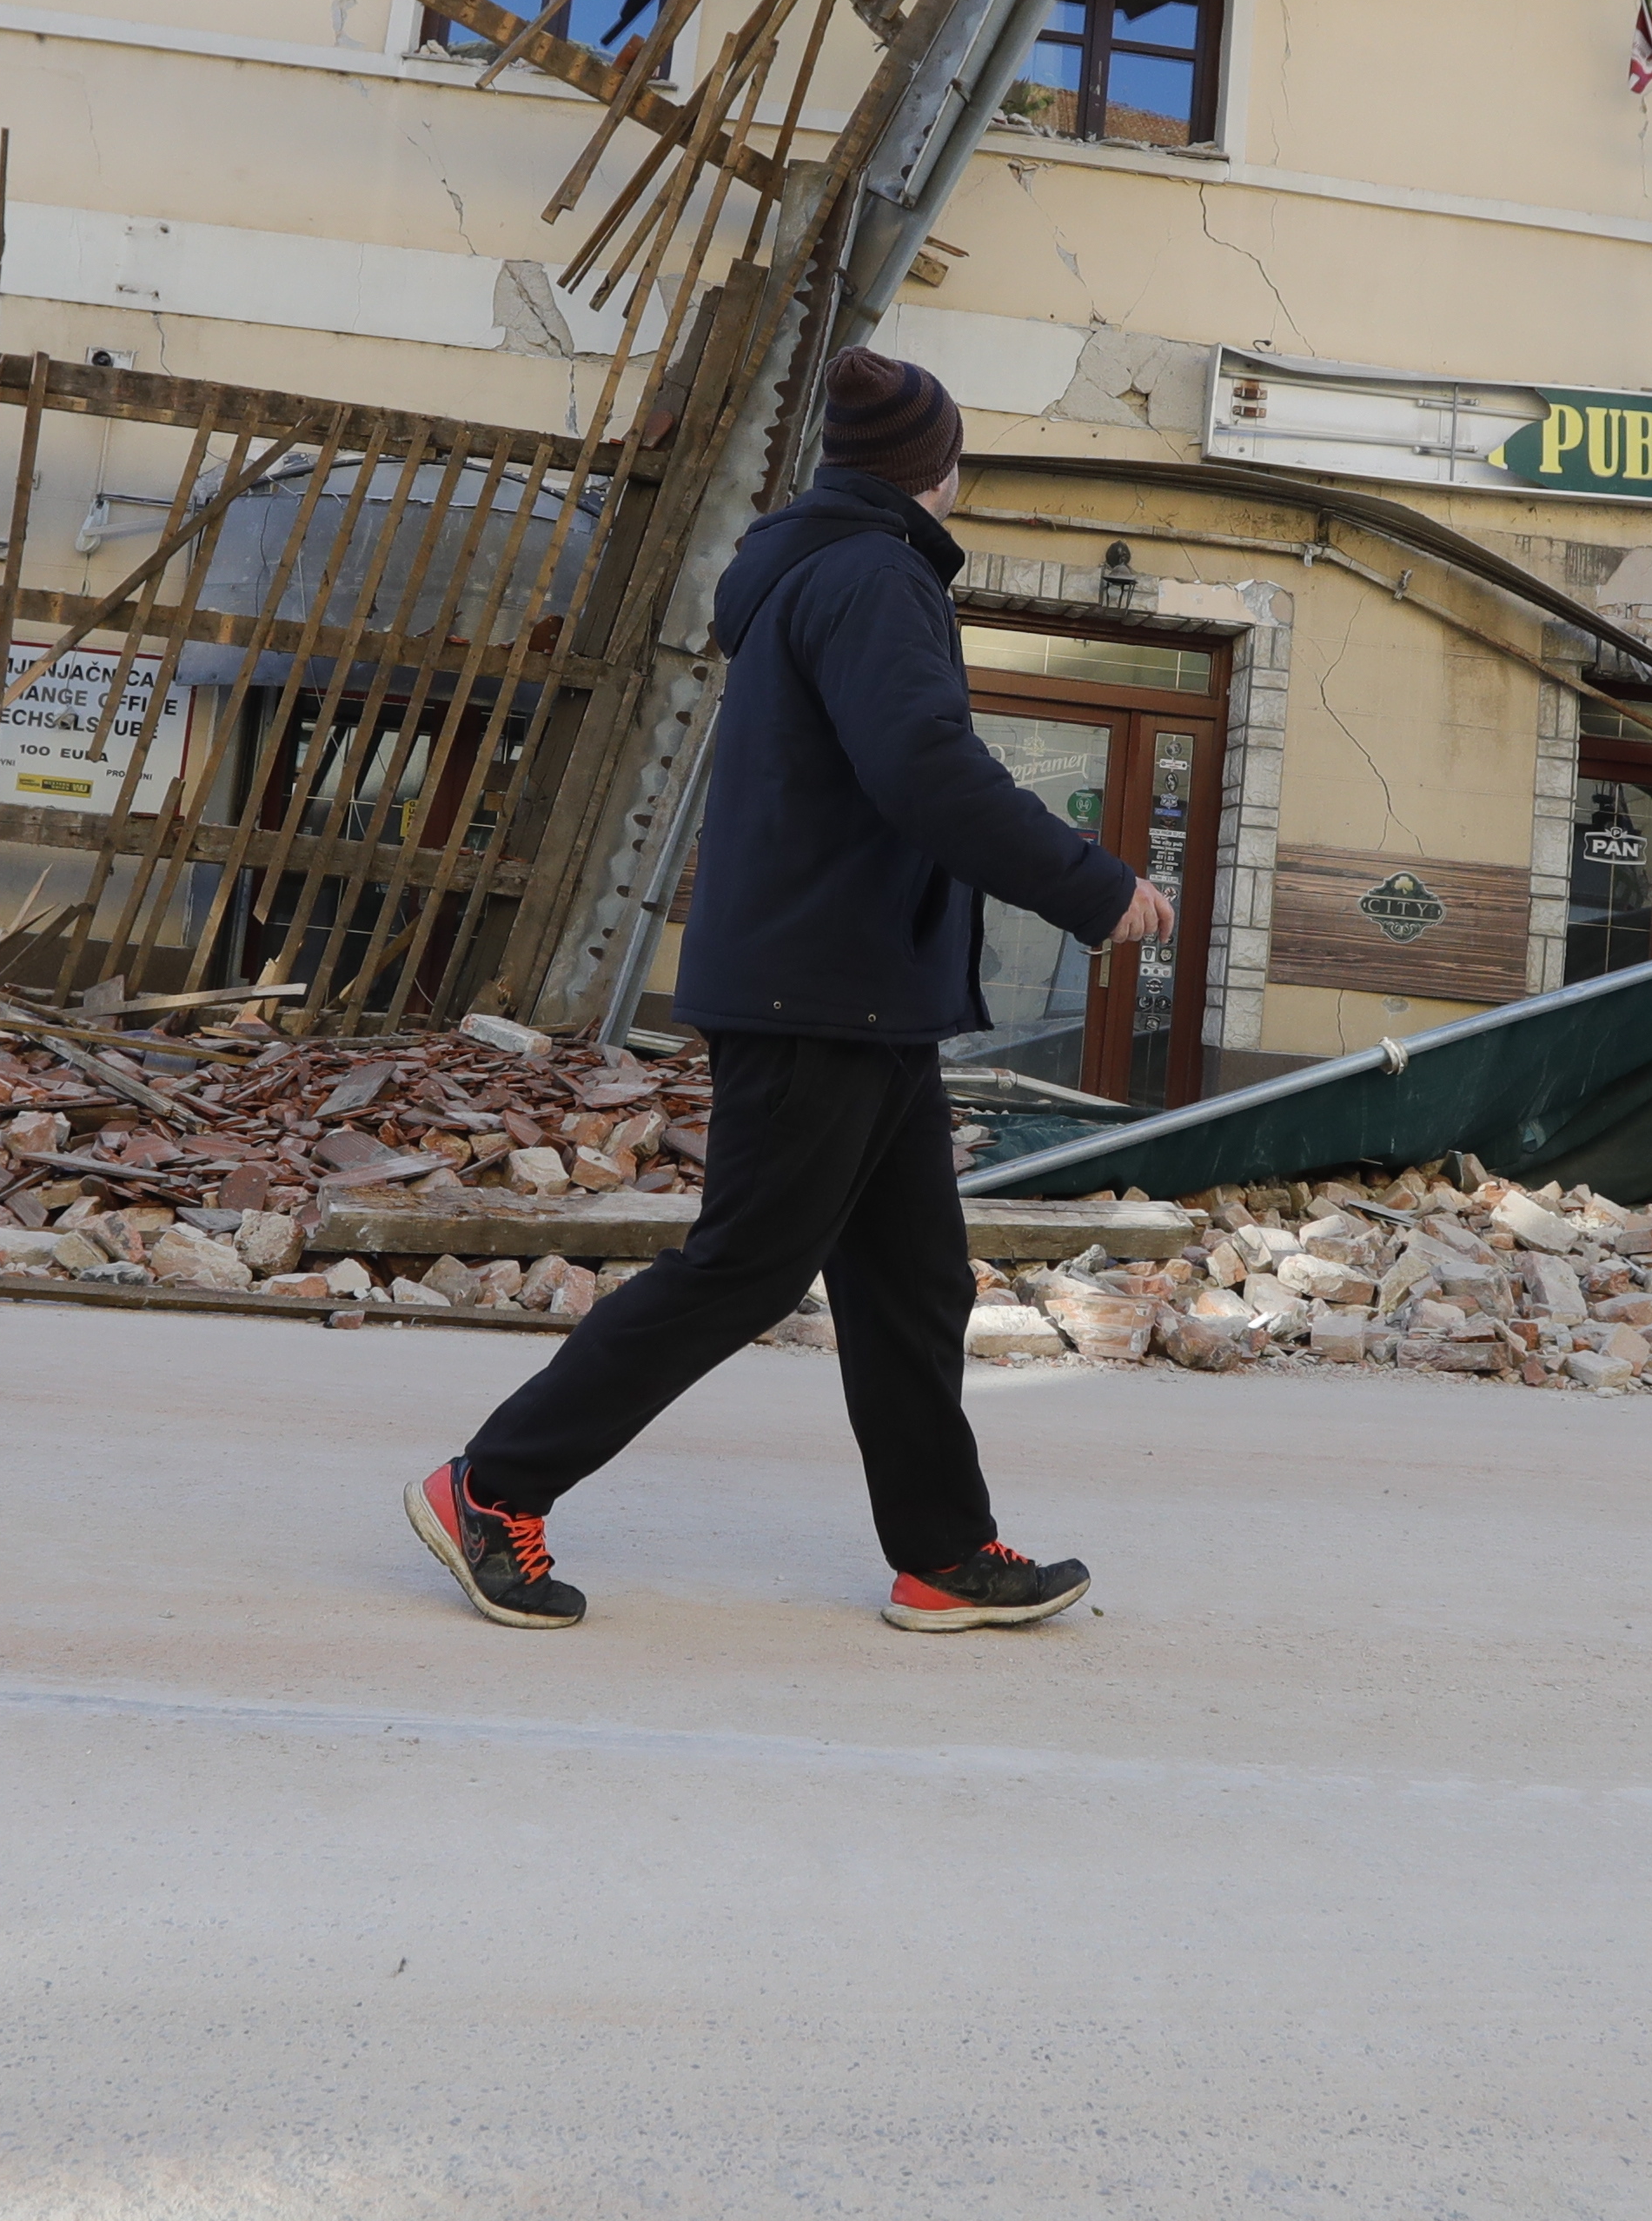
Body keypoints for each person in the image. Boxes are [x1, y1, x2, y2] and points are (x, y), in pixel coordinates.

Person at [409, 349, 1174, 1633]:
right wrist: (1092, 888)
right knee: (747, 1267)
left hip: (857, 986)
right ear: (941, 468)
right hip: (824, 988)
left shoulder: (821, 569)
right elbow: (926, 769)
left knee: (914, 1282)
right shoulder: (874, 576)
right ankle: (492, 1485)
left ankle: (942, 1554)